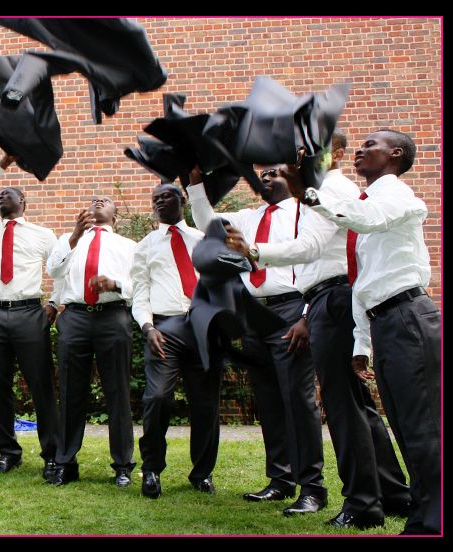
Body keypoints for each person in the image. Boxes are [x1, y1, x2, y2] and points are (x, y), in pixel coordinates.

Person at [224, 132, 411, 529]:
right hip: (330, 298)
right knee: (358, 405)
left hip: (335, 297)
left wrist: (255, 251)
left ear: (335, 154)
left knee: (344, 408)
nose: (298, 156)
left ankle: (362, 503)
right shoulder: (323, 189)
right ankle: (393, 493)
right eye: (297, 150)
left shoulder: (329, 187)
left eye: (307, 150)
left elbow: (308, 248)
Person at [301, 129, 440, 535]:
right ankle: (423, 512)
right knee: (403, 425)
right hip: (386, 322)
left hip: (409, 317)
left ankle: (433, 521)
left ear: (395, 155)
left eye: (370, 146)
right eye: (358, 146)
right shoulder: (370, 201)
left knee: (422, 427)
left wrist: (314, 195)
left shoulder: (393, 194)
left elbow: (366, 221)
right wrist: (362, 342)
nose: (360, 151)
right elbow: (365, 285)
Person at [188, 168, 328, 516]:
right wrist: (194, 183)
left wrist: (307, 315)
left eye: (275, 173)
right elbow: (207, 222)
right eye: (262, 173)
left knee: (298, 399)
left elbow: (318, 260)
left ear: (291, 179)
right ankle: (280, 480)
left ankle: (313, 487)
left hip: (291, 309)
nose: (266, 177)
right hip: (254, 314)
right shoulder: (246, 217)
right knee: (267, 400)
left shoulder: (305, 213)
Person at [0, 153, 60, 479]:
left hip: (29, 314)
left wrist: (56, 302)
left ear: (23, 200)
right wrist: (3, 163)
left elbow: (62, 268)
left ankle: (52, 455)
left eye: (8, 192)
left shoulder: (42, 234)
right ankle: (9, 453)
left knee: (41, 386)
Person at [130, 183, 221, 498]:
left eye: (165, 195)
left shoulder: (203, 240)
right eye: (153, 197)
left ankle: (202, 473)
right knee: (157, 398)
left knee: (206, 404)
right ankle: (152, 469)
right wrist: (147, 327)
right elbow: (140, 291)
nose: (157, 200)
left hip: (204, 327)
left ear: (182, 200)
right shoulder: (145, 246)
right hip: (165, 329)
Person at [45, 196, 137, 486]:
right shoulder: (70, 241)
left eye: (105, 200)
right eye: (93, 200)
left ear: (115, 215)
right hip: (75, 317)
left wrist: (116, 284)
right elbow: (53, 271)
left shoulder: (129, 246)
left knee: (117, 392)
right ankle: (65, 462)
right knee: (71, 391)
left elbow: (141, 284)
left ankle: (122, 466)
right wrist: (72, 237)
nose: (97, 201)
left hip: (113, 316)